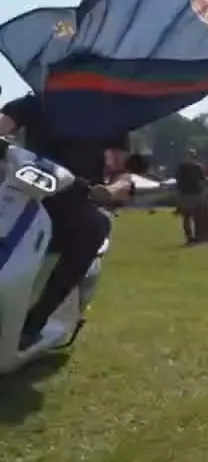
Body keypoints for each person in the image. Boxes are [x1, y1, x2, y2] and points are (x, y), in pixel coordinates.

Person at [0, 92, 134, 350]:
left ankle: (35, 321)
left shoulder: (111, 117)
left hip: (76, 197)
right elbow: (5, 122)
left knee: (94, 227)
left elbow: (122, 172)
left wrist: (110, 190)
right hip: (25, 190)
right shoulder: (35, 102)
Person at [175, 150, 208, 244]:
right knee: (187, 217)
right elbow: (178, 183)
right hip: (187, 194)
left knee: (199, 216)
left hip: (195, 194)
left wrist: (204, 193)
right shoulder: (182, 169)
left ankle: (203, 235)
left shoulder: (196, 168)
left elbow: (202, 181)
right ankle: (190, 236)